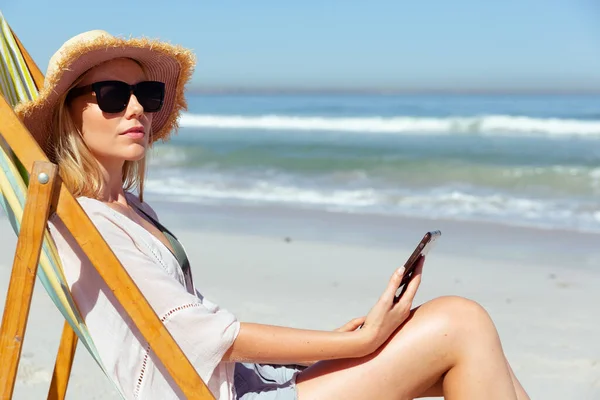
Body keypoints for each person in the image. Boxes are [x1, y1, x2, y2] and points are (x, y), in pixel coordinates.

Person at [16, 30, 530, 400]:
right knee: (461, 323)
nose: (135, 110)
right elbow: (206, 335)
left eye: (146, 95)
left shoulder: (125, 209)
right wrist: (354, 342)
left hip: (247, 381)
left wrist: (335, 344)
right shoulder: (89, 224)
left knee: (472, 348)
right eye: (111, 95)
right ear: (69, 113)